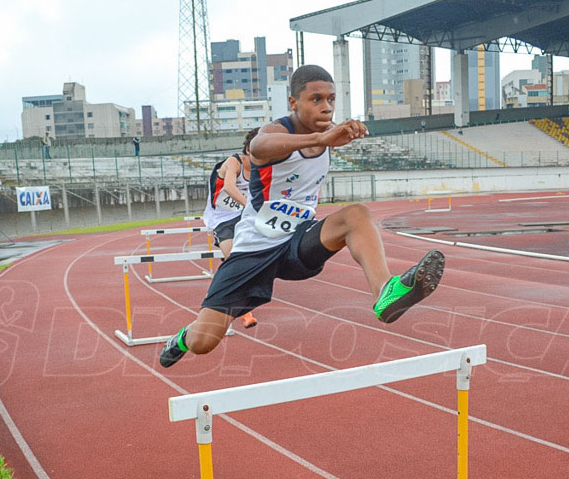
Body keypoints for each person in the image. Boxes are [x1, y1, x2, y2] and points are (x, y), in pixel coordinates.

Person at [159, 65, 445, 368]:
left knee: (357, 215)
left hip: (297, 242)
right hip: (253, 249)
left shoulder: (331, 132)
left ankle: (385, 293)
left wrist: (339, 133)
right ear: (294, 103)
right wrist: (320, 140)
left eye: (331, 99)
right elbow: (259, 145)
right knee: (203, 343)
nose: (326, 107)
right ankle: (183, 337)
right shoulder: (279, 132)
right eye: (316, 99)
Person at [202, 127, 260, 328]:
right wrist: (251, 206)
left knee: (250, 258)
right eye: (258, 153)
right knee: (232, 257)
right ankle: (244, 312)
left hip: (245, 215)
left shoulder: (265, 166)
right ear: (248, 150)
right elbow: (229, 187)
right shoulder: (233, 162)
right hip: (223, 217)